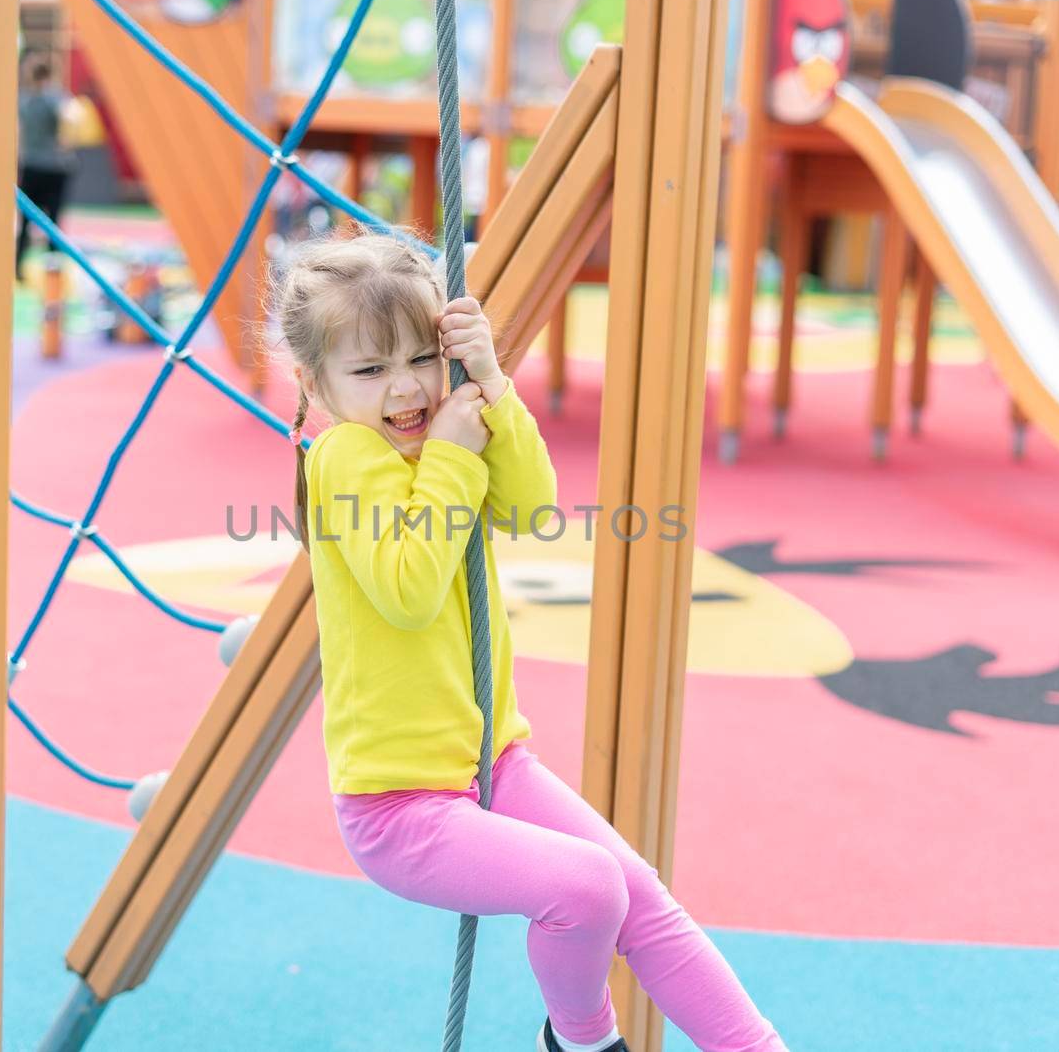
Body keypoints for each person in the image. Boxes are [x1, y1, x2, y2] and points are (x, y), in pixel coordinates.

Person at [268, 234, 786, 1052]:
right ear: (315, 383)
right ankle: (581, 1041)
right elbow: (407, 590)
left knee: (638, 895)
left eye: (421, 359)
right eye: (370, 372)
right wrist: (447, 454)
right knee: (585, 887)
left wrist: (494, 391)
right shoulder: (344, 455)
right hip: (401, 803)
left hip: (490, 763)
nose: (404, 389)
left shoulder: (443, 429)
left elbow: (530, 508)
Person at [16, 58, 75, 281]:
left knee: (26, 223)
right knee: (54, 220)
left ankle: (18, 267)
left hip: (31, 164)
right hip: (55, 165)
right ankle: (53, 274)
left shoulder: (25, 100)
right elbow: (71, 118)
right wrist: (65, 143)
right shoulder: (55, 97)